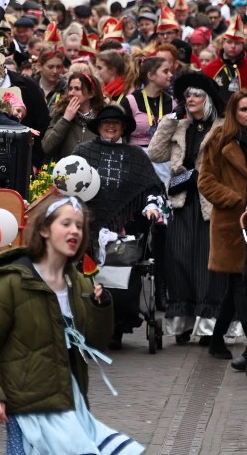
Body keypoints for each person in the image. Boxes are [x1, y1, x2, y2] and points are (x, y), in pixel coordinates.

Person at [0, 194, 143, 455]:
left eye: (79, 225)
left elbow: (95, 343)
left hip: (71, 402)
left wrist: (101, 307)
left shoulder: (81, 284)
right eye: (66, 224)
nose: (74, 230)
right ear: (43, 229)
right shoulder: (12, 283)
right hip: (29, 406)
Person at [73, 104, 169, 349]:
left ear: (124, 127)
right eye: (106, 122)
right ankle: (86, 325)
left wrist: (151, 207)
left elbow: (153, 189)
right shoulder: (83, 151)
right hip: (84, 227)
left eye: (116, 122)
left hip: (122, 231)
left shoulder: (136, 156)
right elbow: (68, 184)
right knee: (83, 278)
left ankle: (116, 328)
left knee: (120, 282)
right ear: (99, 127)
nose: (111, 126)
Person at [148, 73, 224, 345]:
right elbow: (155, 154)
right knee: (178, 261)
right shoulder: (180, 127)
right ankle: (182, 322)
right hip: (182, 200)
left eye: (196, 95)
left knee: (206, 264)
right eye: (187, 96)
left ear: (208, 100)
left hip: (208, 203)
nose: (190, 99)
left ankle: (207, 326)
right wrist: (170, 119)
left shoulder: (222, 127)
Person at [199, 90, 247, 362]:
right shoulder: (219, 139)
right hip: (230, 221)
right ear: (233, 113)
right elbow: (206, 181)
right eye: (244, 110)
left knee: (237, 284)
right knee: (240, 283)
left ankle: (216, 340)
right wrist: (236, 199)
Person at [41, 72, 104, 163]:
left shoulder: (102, 119)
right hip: (66, 173)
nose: (71, 93)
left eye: (77, 89)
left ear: (91, 94)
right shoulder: (60, 114)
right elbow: (47, 148)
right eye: (70, 89)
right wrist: (66, 119)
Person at [203, 14, 247, 106]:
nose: (233, 46)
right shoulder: (209, 69)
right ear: (223, 43)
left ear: (243, 45)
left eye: (237, 43)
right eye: (229, 42)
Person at [126, 56, 174, 148]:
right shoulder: (130, 101)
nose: (171, 75)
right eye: (165, 71)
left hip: (164, 157)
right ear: (151, 76)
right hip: (135, 156)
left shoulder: (171, 102)